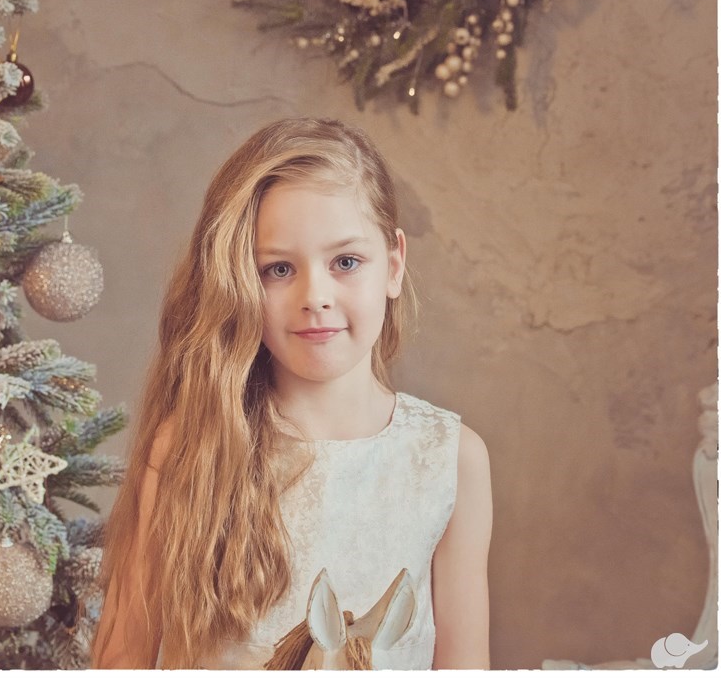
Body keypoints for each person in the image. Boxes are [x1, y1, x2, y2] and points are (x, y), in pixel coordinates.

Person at [91, 117, 492, 669]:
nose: (315, 296)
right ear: (238, 281)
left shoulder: (452, 461)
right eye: (278, 269)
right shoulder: (189, 447)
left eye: (345, 262)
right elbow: (123, 657)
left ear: (394, 265)